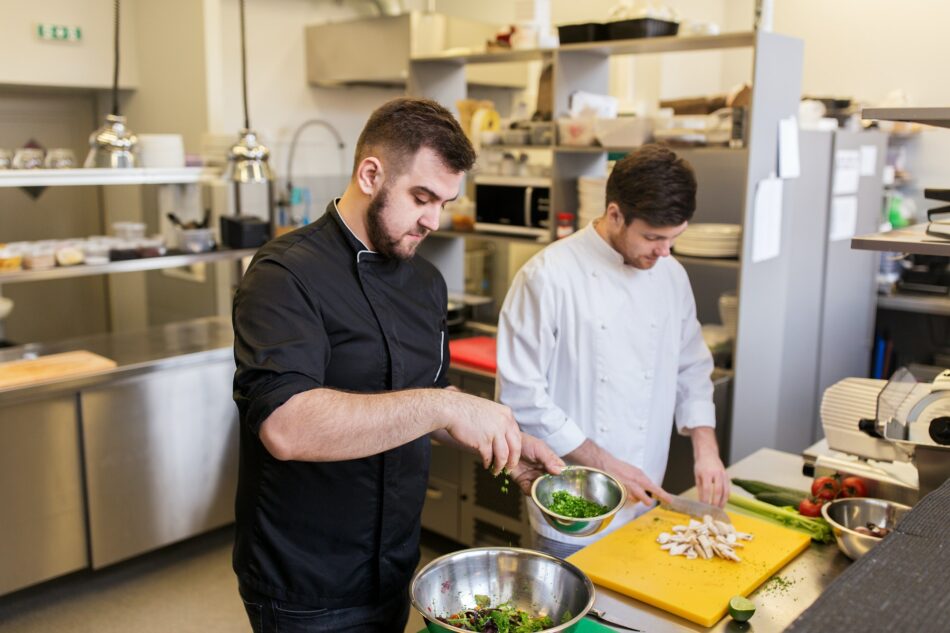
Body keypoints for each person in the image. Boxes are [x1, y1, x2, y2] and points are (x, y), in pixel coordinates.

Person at [231, 97, 563, 633]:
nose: (434, 220)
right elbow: (286, 427)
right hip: (307, 581)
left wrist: (502, 442)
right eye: (422, 197)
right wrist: (444, 404)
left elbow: (427, 403)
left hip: (395, 568)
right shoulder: (282, 275)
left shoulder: (426, 282)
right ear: (370, 173)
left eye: (446, 201)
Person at [496, 144, 729, 559]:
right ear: (615, 214)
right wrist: (604, 462)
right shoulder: (547, 277)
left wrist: (706, 448)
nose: (664, 252)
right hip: (573, 510)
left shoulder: (671, 275)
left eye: (674, 238)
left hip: (645, 499)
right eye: (653, 237)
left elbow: (691, 367)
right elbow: (520, 399)